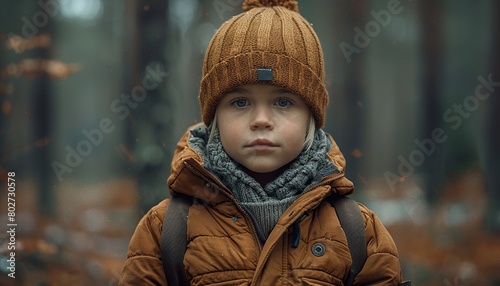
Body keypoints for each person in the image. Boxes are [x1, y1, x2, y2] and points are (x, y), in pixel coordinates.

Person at [119, 0, 405, 285]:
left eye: (283, 101)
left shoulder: (358, 233)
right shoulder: (166, 231)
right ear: (214, 115)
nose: (261, 119)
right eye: (240, 102)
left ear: (311, 116)